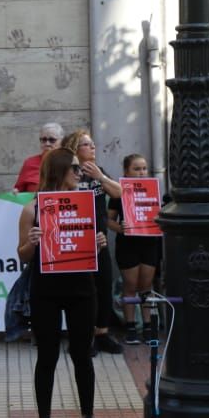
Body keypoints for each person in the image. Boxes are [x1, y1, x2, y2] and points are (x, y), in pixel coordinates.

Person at [20, 146, 104, 418]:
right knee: (47, 356)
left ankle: (88, 417)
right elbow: (22, 254)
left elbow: (88, 242)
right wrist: (31, 243)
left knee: (83, 354)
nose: (79, 173)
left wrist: (98, 242)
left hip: (82, 287)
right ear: (58, 171)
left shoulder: (85, 202)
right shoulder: (33, 209)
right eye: (74, 168)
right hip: (47, 290)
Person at [63, 128, 124, 355]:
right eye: (87, 144)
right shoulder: (69, 172)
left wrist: (100, 177)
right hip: (75, 241)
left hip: (99, 241)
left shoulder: (98, 172)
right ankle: (82, 337)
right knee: (80, 291)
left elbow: (119, 193)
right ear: (75, 149)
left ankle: (102, 334)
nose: (93, 147)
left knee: (104, 285)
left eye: (92, 144)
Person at [112, 153, 161, 345]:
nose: (141, 173)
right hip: (128, 244)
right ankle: (131, 327)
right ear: (126, 171)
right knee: (130, 287)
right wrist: (120, 228)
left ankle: (148, 327)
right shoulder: (119, 192)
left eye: (144, 169)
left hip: (149, 242)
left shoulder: (154, 190)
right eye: (136, 169)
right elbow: (107, 219)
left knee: (146, 287)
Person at [14, 122, 63, 193]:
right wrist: (16, 192)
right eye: (43, 140)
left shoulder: (68, 162)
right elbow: (19, 189)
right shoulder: (30, 163)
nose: (47, 143)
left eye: (52, 140)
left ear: (61, 142)